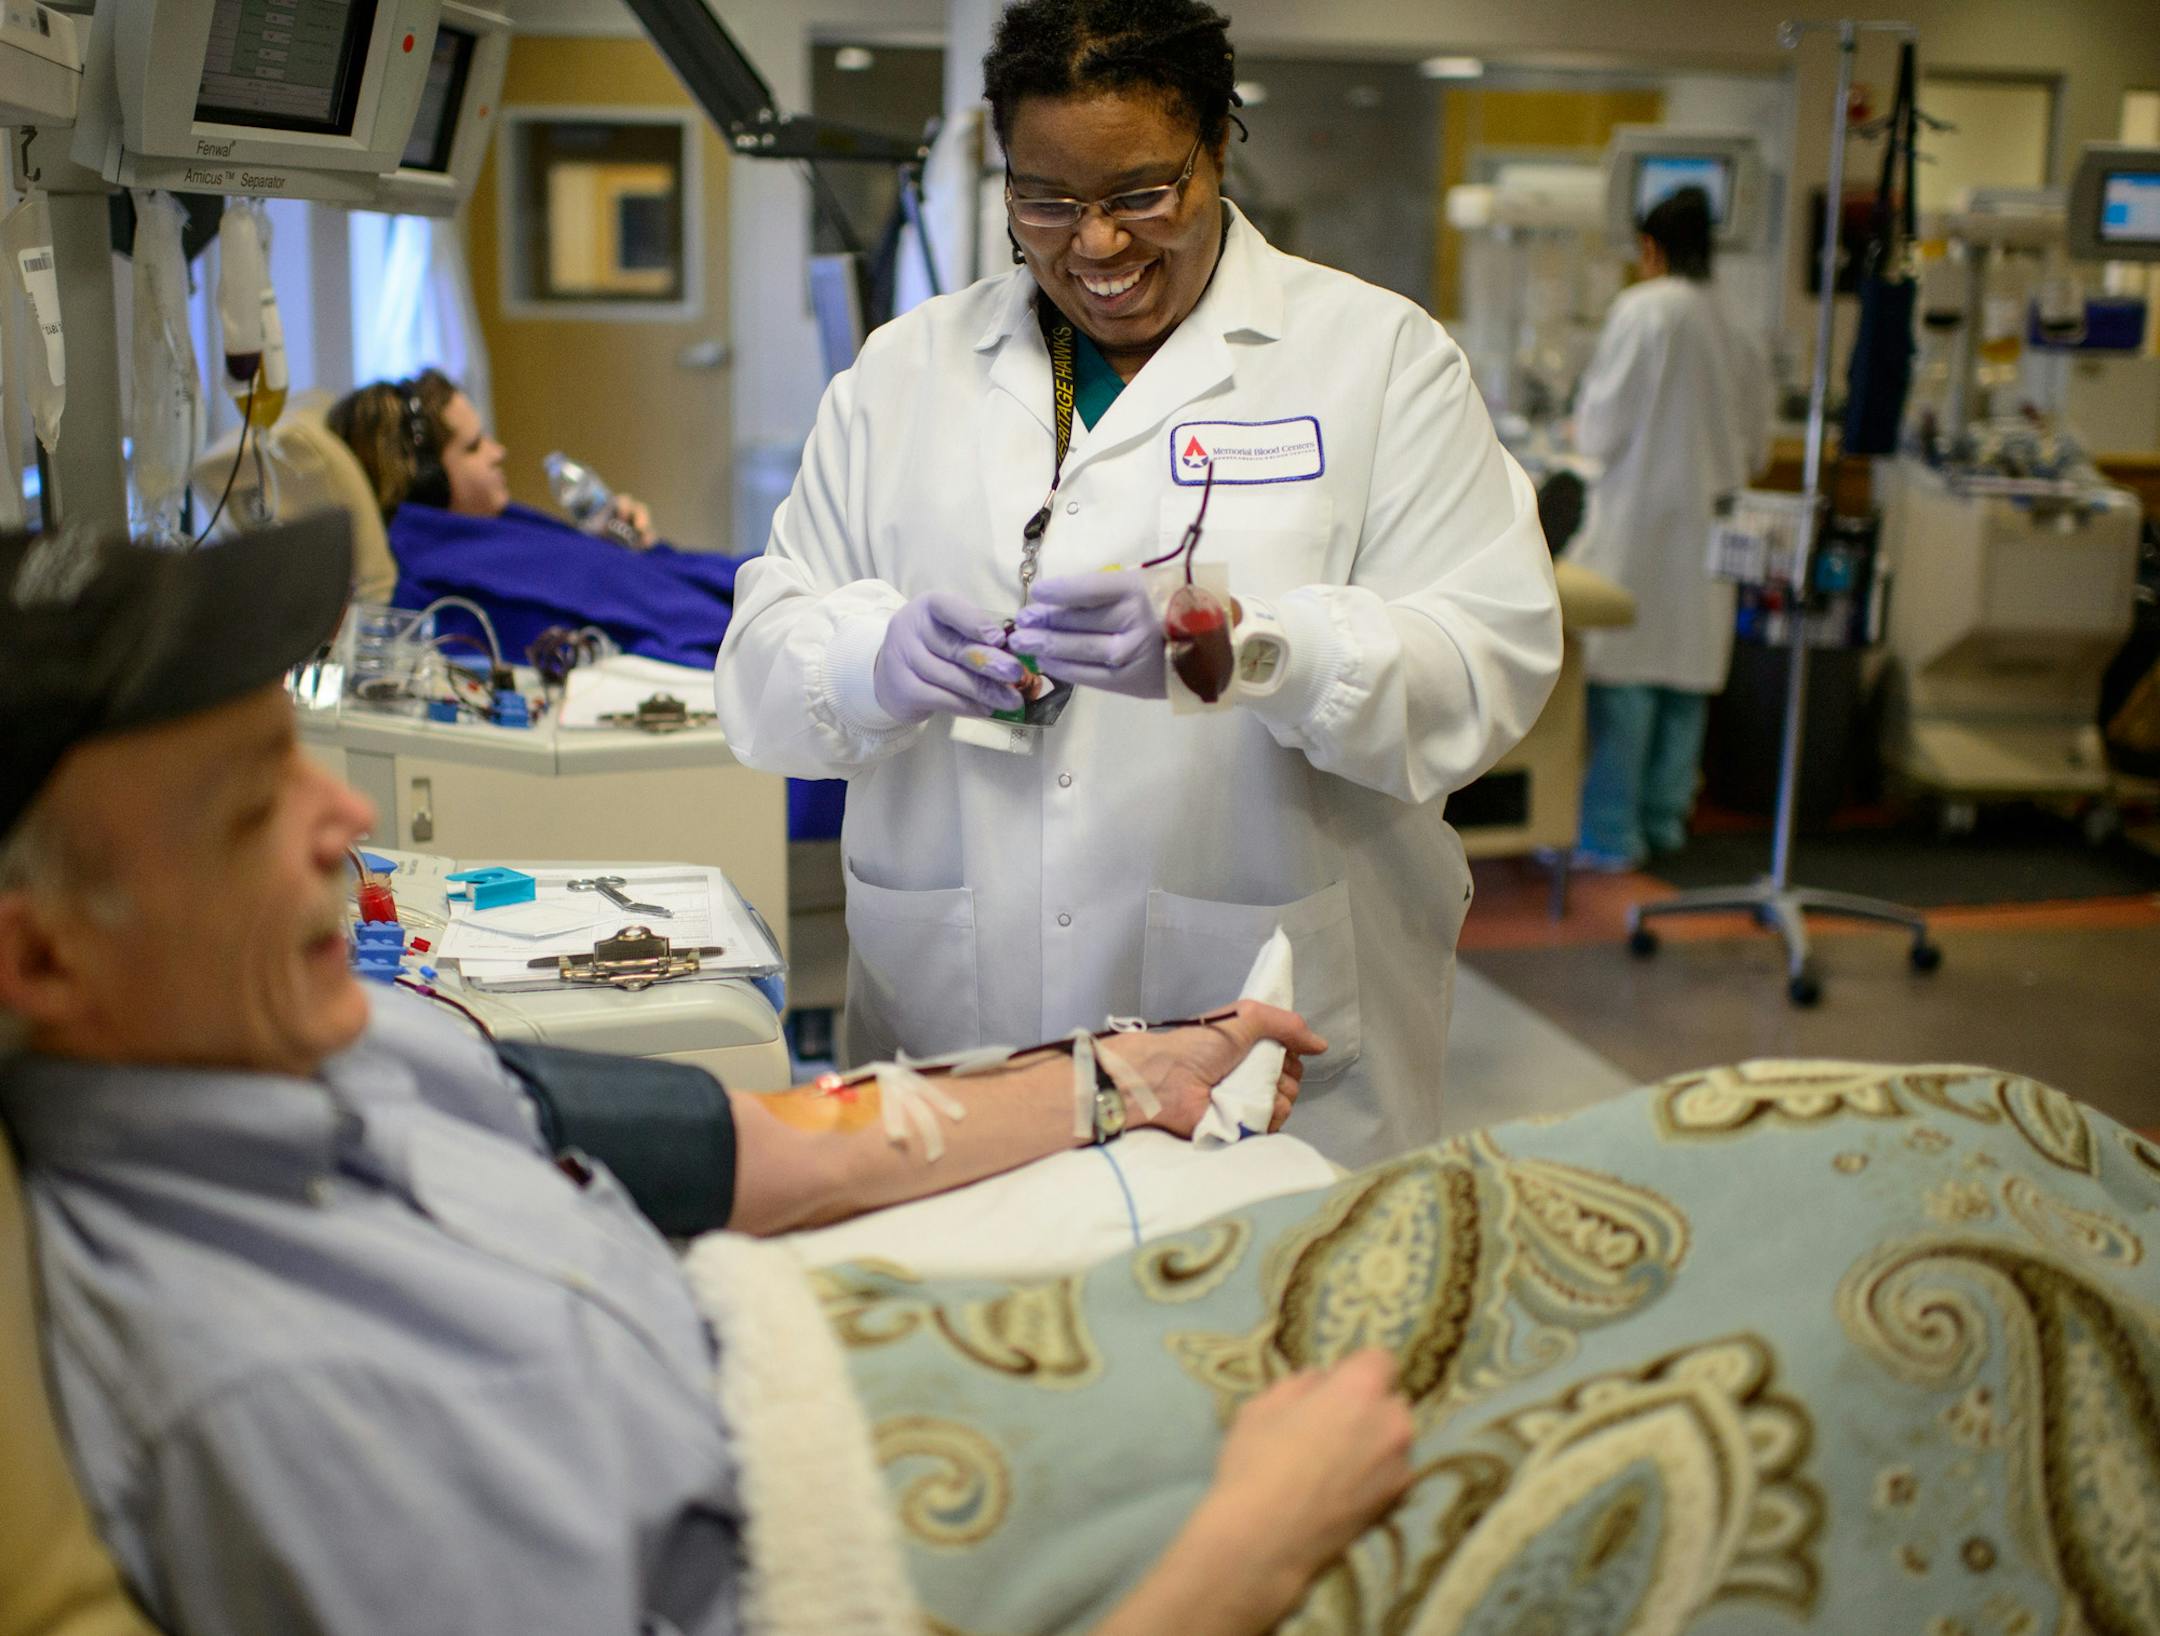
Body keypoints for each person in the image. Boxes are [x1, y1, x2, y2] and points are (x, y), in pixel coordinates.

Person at [11, 526, 2160, 1636]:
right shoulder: (262, 1393)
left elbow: (756, 1143)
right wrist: (1240, 1548)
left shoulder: (360, 1047)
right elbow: (780, 649)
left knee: (1858, 1138)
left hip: (888, 1358)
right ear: (37, 951)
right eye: (239, 813)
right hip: (935, 1535)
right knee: (1909, 1314)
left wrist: (1139, 1073)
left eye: (305, 762)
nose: (343, 833)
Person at [715, 0, 1562, 1169]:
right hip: (956, 1048)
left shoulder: (1380, 361)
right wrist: (874, 659)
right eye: (1046, 203)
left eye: (1141, 197)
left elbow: (1487, 667)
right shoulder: (903, 371)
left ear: (1218, 148)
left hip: (1265, 1049)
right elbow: (758, 670)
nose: (1096, 246)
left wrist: (1256, 650)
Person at [1563, 186, 1775, 871]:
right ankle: (1665, 825)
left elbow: (1601, 425)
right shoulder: (1736, 322)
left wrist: (1579, 432)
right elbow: (1759, 443)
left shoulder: (1644, 309)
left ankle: (1611, 837)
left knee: (1625, 680)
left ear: (1649, 249)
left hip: (1638, 525)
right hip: (1710, 527)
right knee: (1686, 679)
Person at [327, 370, 746, 670]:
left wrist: (637, 548)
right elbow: (620, 645)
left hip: (724, 602)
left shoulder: (487, 530)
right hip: (728, 648)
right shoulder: (448, 586)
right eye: (474, 447)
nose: (498, 451)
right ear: (427, 482)